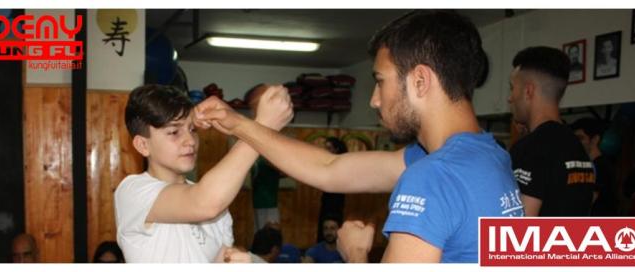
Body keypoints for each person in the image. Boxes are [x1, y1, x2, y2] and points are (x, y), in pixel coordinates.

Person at [194, 10, 523, 263]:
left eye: (380, 81)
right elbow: (330, 167)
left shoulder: (433, 176)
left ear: (420, 81)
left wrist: (354, 255)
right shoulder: (489, 155)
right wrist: (239, 123)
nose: (374, 100)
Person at [114, 84, 292, 262]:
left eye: (193, 130)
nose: (190, 140)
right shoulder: (132, 191)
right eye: (174, 132)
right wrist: (260, 127)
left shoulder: (217, 199)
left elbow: (224, 259)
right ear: (143, 145)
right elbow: (204, 203)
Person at [507, 46, 596, 216]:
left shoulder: (531, 148)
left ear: (528, 91)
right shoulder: (577, 147)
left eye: (512, 87)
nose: (510, 97)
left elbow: (519, 231)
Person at [247, 84, 282, 231]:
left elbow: (287, 171)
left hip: (269, 200)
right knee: (260, 236)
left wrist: (271, 161)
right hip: (255, 200)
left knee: (272, 233)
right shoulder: (252, 140)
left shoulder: (275, 140)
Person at [571, 117, 618, 216]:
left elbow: (590, 199)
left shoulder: (601, 166)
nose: (576, 142)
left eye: (580, 138)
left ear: (595, 139)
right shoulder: (590, 165)